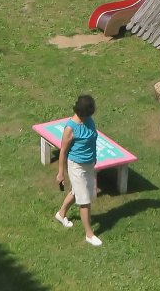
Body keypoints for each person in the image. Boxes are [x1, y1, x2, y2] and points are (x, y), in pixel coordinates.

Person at [53, 94, 104, 246]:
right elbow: (63, 151)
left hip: (89, 164)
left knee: (77, 193)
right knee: (85, 200)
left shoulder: (88, 121)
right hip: (76, 166)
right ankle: (89, 234)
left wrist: (93, 158)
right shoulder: (71, 128)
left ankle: (61, 214)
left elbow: (92, 139)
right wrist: (61, 173)